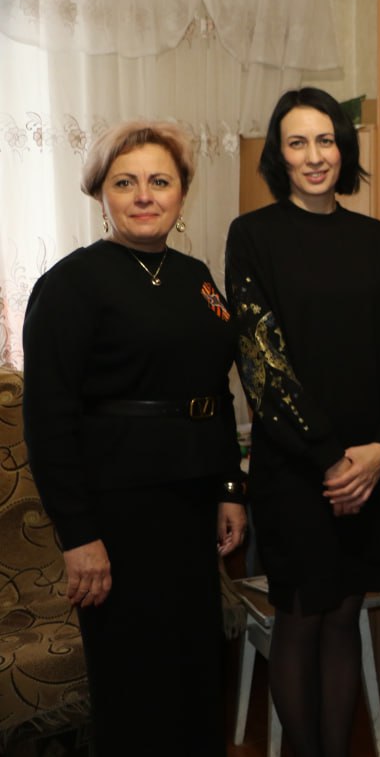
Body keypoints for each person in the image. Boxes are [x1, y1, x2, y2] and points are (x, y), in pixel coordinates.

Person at [23, 121, 247, 756]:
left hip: (191, 502)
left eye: (160, 181)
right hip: (115, 512)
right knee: (133, 676)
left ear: (181, 194)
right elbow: (48, 420)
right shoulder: (70, 284)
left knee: (196, 666)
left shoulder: (195, 276)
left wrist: (230, 487)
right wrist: (78, 535)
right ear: (102, 194)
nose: (145, 195)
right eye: (126, 183)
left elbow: (215, 389)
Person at [226, 87, 380, 757]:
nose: (314, 155)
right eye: (297, 142)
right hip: (296, 466)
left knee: (344, 617)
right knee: (302, 620)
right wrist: (333, 458)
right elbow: (260, 361)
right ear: (279, 155)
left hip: (371, 466)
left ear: (344, 147)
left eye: (326, 140)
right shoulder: (253, 235)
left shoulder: (379, 241)